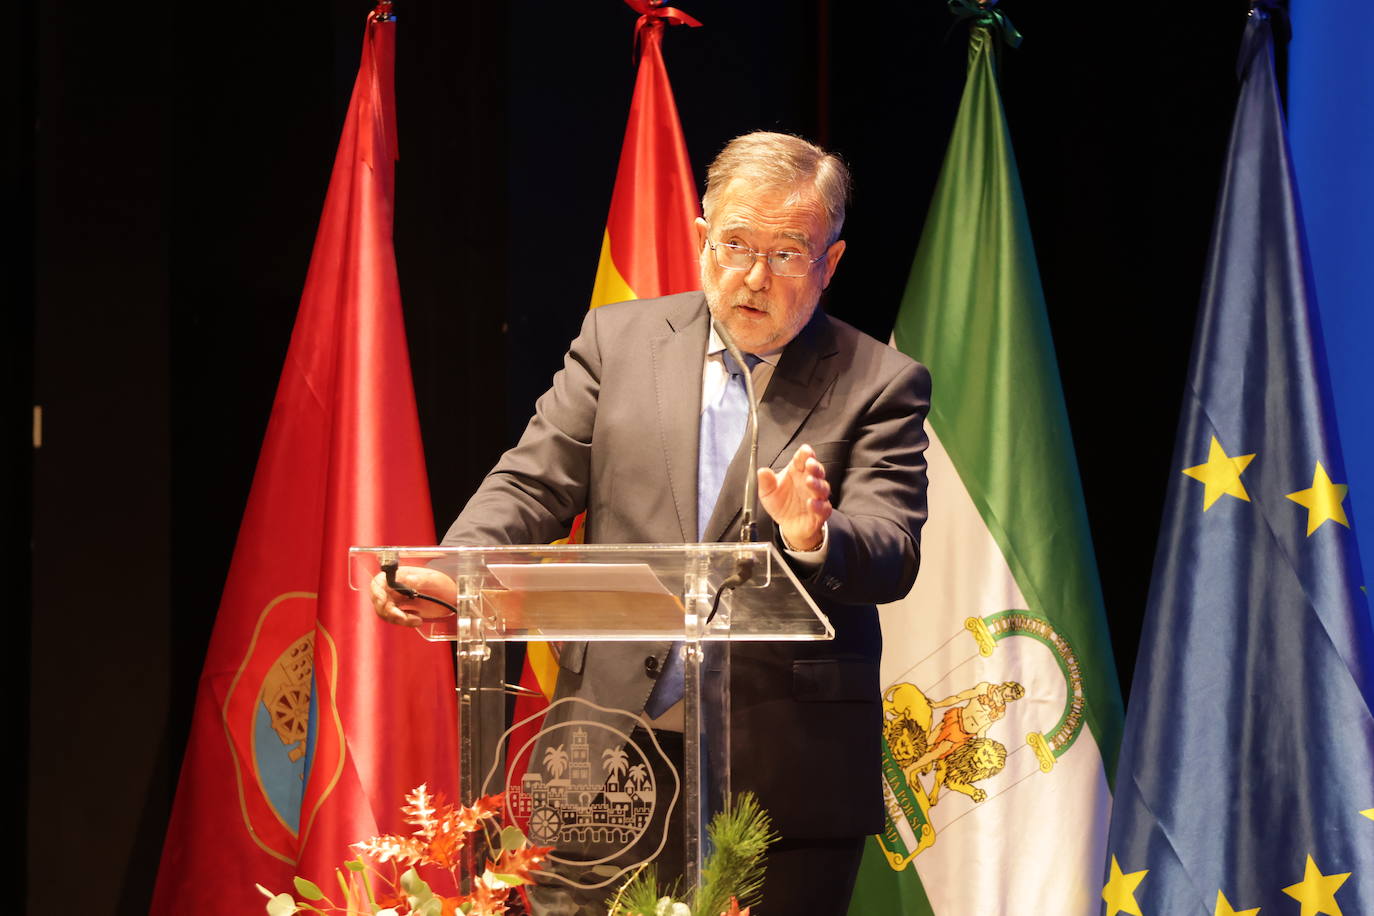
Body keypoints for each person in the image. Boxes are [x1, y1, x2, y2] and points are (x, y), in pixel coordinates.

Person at [372, 131, 931, 913]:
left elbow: (893, 549)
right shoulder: (618, 342)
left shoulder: (880, 383)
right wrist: (459, 566)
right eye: (735, 244)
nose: (752, 276)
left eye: (785, 252)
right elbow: (532, 483)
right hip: (601, 759)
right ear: (703, 238)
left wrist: (814, 537)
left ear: (830, 262)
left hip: (781, 777)